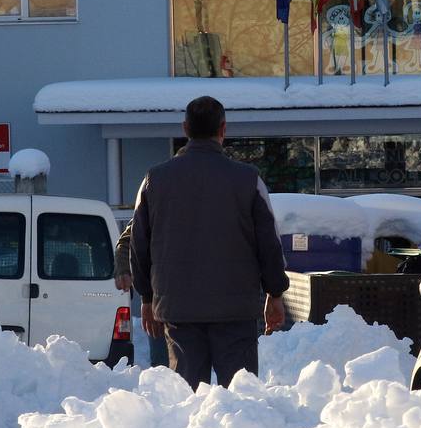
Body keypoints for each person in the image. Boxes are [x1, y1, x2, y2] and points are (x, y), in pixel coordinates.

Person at [129, 95, 289, 390]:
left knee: (188, 397)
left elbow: (139, 246)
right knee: (240, 396)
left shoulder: (155, 180)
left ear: (185, 128)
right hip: (236, 310)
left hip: (179, 308)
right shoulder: (248, 179)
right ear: (223, 129)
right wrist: (275, 293)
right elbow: (269, 243)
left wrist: (147, 298)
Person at [113, 220, 169, 369]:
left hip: (219, 305)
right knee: (164, 370)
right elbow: (128, 241)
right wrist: (124, 270)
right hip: (165, 301)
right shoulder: (155, 197)